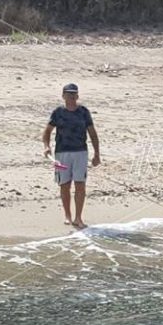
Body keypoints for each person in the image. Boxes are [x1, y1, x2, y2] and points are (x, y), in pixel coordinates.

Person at [42, 83, 101, 229]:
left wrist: (96, 154)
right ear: (63, 96)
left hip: (81, 152)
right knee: (65, 185)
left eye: (74, 94)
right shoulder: (58, 112)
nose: (72, 97)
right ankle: (68, 216)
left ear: (77, 96)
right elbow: (47, 131)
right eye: (68, 94)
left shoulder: (83, 112)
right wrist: (47, 146)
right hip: (62, 153)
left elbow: (92, 134)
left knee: (80, 185)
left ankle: (78, 217)